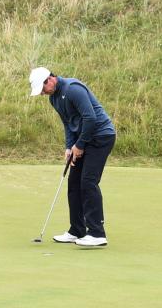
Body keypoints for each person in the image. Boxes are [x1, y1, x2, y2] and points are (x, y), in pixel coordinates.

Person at [29, 66, 116, 248]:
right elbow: (68, 123)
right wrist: (69, 147)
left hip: (101, 137)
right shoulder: (54, 98)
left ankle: (97, 234)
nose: (43, 93)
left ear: (50, 79)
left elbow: (90, 118)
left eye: (43, 88)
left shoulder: (73, 89)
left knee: (88, 181)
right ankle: (77, 230)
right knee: (74, 182)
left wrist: (80, 144)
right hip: (84, 139)